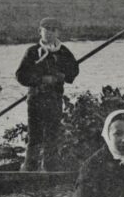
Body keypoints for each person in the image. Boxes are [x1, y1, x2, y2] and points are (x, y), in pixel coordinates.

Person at [15, 17, 80, 171]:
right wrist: (42, 79)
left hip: (54, 100)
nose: (50, 33)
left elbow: (74, 70)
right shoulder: (32, 52)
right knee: (35, 135)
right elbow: (21, 75)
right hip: (36, 100)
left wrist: (64, 76)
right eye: (46, 30)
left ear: (58, 33)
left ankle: (50, 168)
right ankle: (30, 169)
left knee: (52, 135)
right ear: (40, 31)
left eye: (53, 30)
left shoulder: (63, 52)